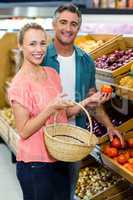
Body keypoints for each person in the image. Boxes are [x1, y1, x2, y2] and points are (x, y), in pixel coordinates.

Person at [7, 23, 110, 200]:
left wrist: (88, 101)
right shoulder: (19, 85)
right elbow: (24, 131)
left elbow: (64, 114)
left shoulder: (52, 73)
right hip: (36, 165)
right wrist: (49, 109)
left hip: (60, 157)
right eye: (32, 44)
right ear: (21, 46)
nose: (39, 49)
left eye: (42, 43)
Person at [42, 3, 124, 200]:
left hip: (74, 142)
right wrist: (88, 100)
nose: (68, 29)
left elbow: (93, 102)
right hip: (44, 141)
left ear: (78, 28)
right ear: (54, 24)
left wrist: (110, 127)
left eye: (73, 24)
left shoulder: (86, 60)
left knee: (68, 192)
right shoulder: (41, 57)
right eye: (63, 22)